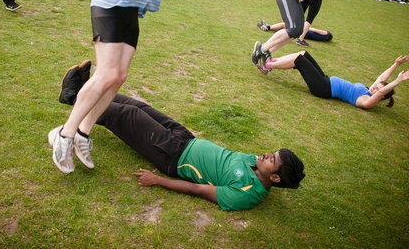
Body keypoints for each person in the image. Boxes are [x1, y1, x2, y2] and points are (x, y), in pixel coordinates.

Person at [48, 0, 232, 174]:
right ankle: (64, 134)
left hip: (131, 10)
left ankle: (83, 133)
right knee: (106, 73)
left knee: (119, 76)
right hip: (111, 1)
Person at [50, 66, 305, 210]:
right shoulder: (256, 164)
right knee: (137, 105)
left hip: (173, 155)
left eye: (274, 159)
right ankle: (86, 91)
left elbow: (198, 189)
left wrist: (158, 180)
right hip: (186, 138)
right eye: (274, 152)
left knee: (126, 116)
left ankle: (73, 97)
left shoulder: (247, 194)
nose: (268, 154)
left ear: (274, 177)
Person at [261, 51, 409, 109]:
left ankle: (268, 66)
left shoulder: (366, 100)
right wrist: (396, 64)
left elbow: (381, 89)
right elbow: (381, 79)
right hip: (325, 80)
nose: (375, 87)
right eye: (376, 86)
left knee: (298, 60)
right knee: (304, 54)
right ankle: (274, 60)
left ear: (381, 95)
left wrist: (397, 81)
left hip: (323, 88)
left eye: (377, 89)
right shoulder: (367, 90)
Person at [256, 20, 333, 42]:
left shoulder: (325, 34)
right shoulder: (321, 39)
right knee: (285, 28)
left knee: (284, 24)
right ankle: (268, 27)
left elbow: (313, 29)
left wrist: (305, 26)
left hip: (304, 31)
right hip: (304, 35)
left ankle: (268, 27)